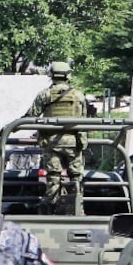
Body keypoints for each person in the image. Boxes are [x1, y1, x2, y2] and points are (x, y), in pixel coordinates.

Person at [26, 61, 88, 210]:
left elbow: (30, 116)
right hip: (73, 143)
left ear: (51, 76)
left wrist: (12, 127)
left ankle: (53, 209)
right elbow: (84, 120)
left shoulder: (44, 95)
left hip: (51, 143)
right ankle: (77, 208)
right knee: (76, 177)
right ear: (68, 76)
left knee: (53, 177)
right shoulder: (78, 95)